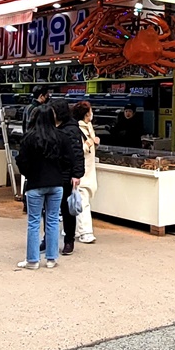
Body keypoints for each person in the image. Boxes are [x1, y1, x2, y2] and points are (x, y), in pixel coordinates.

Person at [14, 102, 84, 267]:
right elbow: (71, 159)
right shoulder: (61, 137)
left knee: (34, 221)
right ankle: (51, 259)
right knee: (53, 220)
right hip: (56, 183)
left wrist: (29, 173)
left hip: (35, 183)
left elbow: (21, 161)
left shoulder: (28, 138)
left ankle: (33, 260)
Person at [73, 101, 100, 244]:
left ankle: (77, 229)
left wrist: (94, 142)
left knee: (82, 201)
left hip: (89, 170)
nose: (92, 113)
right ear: (86, 114)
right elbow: (77, 150)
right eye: (90, 110)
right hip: (81, 171)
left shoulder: (88, 126)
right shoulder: (76, 129)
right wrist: (90, 142)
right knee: (83, 202)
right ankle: (86, 232)